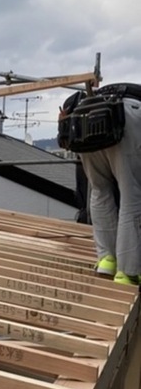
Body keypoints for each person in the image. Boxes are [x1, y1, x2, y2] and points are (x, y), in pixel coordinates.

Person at [65, 83, 141, 286]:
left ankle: (107, 260)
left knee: (99, 189)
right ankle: (129, 272)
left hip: (86, 115)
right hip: (126, 113)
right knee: (131, 194)